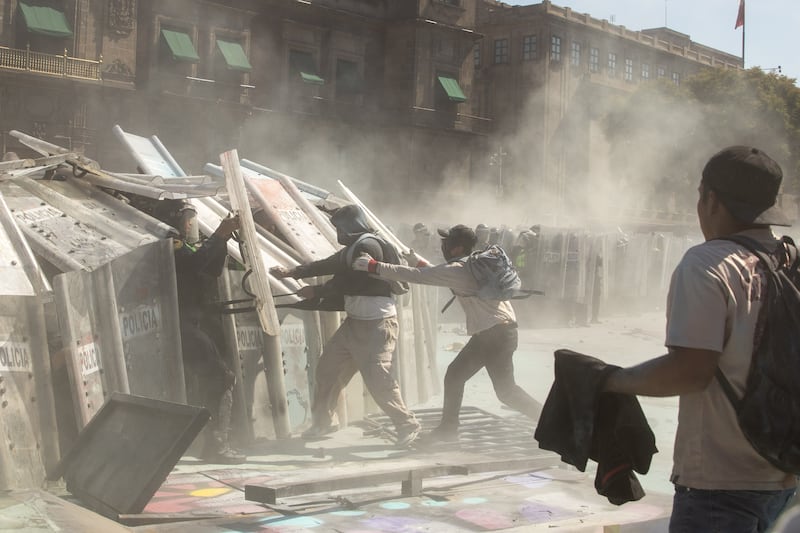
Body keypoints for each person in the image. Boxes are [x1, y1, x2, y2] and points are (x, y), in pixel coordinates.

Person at [601, 146, 796, 532]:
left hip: (718, 486)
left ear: (710, 199)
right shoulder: (791, 261)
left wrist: (609, 381)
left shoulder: (707, 264)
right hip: (785, 476)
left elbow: (690, 372)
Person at [353, 224, 542, 443]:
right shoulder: (473, 265)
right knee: (492, 386)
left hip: (494, 334)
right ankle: (451, 429)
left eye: (448, 242)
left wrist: (374, 266)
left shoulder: (459, 270)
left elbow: (418, 276)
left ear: (456, 248)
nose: (444, 245)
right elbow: (438, 275)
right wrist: (417, 260)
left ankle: (450, 430)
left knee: (486, 385)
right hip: (500, 331)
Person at [269, 204, 421, 447]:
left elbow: (352, 280)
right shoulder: (355, 247)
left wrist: (317, 290)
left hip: (377, 325)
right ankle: (323, 421)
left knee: (379, 378)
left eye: (340, 227)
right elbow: (328, 264)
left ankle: (406, 423)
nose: (338, 232)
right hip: (354, 324)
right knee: (328, 370)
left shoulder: (367, 246)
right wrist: (292, 272)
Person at [171, 204, 246, 464]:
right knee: (221, 378)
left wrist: (221, 238)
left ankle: (213, 443)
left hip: (192, 321)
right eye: (187, 219)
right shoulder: (170, 242)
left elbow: (211, 268)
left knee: (216, 378)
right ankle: (216, 446)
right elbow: (195, 263)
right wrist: (220, 235)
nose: (191, 224)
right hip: (179, 324)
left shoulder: (188, 245)